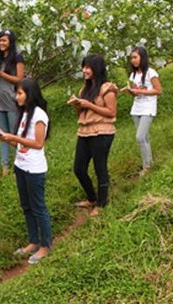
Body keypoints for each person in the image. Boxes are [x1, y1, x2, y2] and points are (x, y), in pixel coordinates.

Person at [0, 78, 52, 264]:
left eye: (19, 93)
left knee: (38, 207)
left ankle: (45, 245)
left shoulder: (39, 115)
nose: (16, 97)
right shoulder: (25, 114)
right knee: (26, 206)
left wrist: (12, 136)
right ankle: (33, 241)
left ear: (29, 94)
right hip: (21, 165)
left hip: (34, 169)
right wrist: (5, 138)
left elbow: (38, 143)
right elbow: (20, 142)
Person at [68, 54, 118, 217]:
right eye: (83, 67)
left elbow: (111, 112)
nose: (84, 71)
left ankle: (102, 204)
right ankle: (92, 198)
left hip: (102, 132)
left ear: (97, 69)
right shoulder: (85, 89)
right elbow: (81, 113)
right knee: (79, 168)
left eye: (88, 67)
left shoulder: (107, 88)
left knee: (100, 167)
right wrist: (77, 105)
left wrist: (89, 104)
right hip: (85, 131)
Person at [0, 29, 25, 177]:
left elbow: (20, 79)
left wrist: (0, 73)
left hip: (13, 100)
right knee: (1, 135)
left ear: (10, 42)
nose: (1, 43)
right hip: (0, 100)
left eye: (4, 40)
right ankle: (4, 167)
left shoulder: (18, 57)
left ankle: (18, 167)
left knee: (14, 135)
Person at [121, 46, 162, 176]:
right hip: (136, 108)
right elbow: (136, 94)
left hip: (148, 108)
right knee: (144, 137)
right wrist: (131, 91)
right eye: (131, 58)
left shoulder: (151, 73)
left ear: (142, 58)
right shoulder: (133, 75)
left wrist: (140, 91)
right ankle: (149, 163)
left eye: (135, 57)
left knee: (140, 137)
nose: (133, 60)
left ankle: (147, 166)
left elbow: (158, 90)